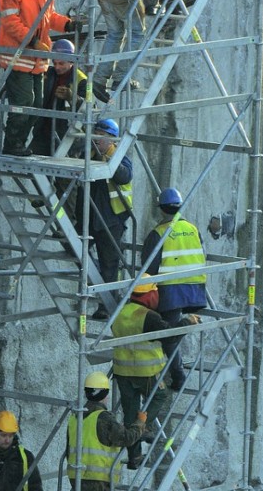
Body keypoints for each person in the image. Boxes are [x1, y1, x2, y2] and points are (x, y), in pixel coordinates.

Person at [0, 0, 73, 157]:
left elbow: (49, 18)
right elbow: (10, 22)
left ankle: (20, 142)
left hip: (38, 59)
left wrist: (67, 24)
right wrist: (32, 42)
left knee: (37, 105)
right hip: (18, 56)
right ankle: (12, 144)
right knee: (23, 103)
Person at [141, 187, 207, 389]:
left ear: (161, 209)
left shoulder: (159, 233)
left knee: (168, 335)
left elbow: (148, 270)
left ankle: (178, 376)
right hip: (194, 288)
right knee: (169, 332)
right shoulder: (192, 228)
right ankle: (172, 370)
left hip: (170, 291)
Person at [111, 279, 173, 467]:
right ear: (150, 294)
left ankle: (134, 457)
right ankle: (143, 427)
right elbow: (171, 334)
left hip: (123, 371)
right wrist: (187, 321)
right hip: (146, 371)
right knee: (160, 395)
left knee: (130, 414)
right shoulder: (148, 316)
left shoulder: (119, 312)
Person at [84, 117, 134, 301]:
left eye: (102, 135)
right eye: (95, 134)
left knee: (110, 263)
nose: (97, 138)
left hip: (112, 220)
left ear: (112, 139)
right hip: (89, 218)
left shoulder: (119, 158)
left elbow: (125, 176)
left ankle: (108, 303)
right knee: (77, 252)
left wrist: (109, 162)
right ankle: (95, 283)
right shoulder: (87, 156)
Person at [33, 38, 109, 157]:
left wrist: (71, 97)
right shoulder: (49, 73)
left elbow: (91, 106)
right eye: (55, 63)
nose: (57, 67)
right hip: (44, 132)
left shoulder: (84, 81)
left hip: (69, 138)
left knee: (62, 174)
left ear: (71, 61)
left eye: (61, 63)